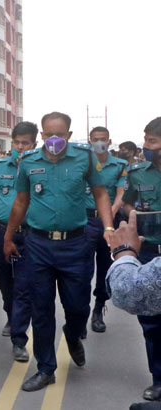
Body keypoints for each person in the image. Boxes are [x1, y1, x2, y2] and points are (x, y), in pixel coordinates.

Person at [4, 111, 114, 392]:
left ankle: (73, 334)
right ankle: (46, 368)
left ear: (68, 134)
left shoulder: (85, 158)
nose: (55, 139)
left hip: (75, 244)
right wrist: (8, 236)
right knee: (41, 309)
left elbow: (101, 193)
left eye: (60, 134)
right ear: (42, 135)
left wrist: (108, 227)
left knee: (77, 305)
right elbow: (20, 201)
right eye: (49, 134)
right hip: (38, 244)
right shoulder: (29, 162)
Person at [0, 122, 38, 360]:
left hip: (31, 234)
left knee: (24, 285)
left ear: (34, 144)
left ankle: (19, 338)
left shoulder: (39, 167)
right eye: (16, 142)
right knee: (5, 279)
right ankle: (10, 314)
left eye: (25, 143)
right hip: (2, 231)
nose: (20, 147)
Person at [121, 117, 161, 401]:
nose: (145, 146)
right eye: (146, 140)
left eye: (151, 142)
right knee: (153, 322)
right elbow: (127, 202)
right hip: (150, 252)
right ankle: (158, 379)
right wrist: (131, 213)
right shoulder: (138, 174)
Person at [84, 126, 127, 334]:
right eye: (95, 139)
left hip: (109, 221)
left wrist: (109, 213)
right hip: (84, 221)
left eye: (103, 139)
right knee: (80, 269)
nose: (99, 142)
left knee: (104, 267)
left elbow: (121, 192)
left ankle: (98, 308)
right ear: (89, 141)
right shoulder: (82, 163)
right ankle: (78, 314)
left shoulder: (120, 165)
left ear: (110, 142)